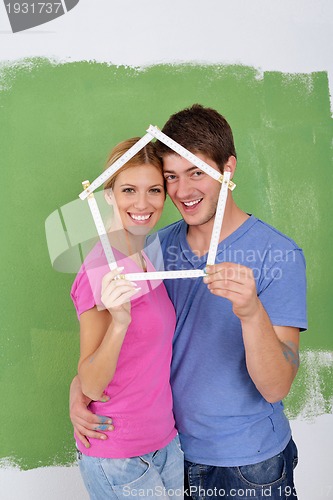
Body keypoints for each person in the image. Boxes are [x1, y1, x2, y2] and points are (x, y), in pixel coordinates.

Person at [70, 105, 307, 500]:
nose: (183, 190)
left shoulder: (276, 254)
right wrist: (80, 391)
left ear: (227, 170)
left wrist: (250, 312)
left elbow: (276, 386)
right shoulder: (155, 248)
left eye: (197, 172)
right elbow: (134, 345)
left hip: (247, 463)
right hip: (170, 452)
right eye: (171, 178)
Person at [70, 138, 184, 499]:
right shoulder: (100, 268)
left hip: (165, 442)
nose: (142, 203)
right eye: (128, 190)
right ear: (108, 195)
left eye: (154, 190)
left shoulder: (146, 257)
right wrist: (119, 323)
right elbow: (91, 384)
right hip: (120, 453)